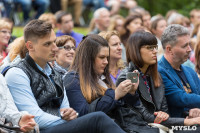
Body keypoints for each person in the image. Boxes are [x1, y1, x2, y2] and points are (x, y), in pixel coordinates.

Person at [5, 19, 126, 133]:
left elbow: (67, 110)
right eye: (48, 44)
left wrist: (69, 115)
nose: (55, 48)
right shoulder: (17, 73)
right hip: (38, 130)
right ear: (30, 46)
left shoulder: (56, 72)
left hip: (59, 126)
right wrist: (66, 119)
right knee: (98, 119)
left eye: (54, 41)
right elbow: (35, 118)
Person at [116, 30, 200, 129]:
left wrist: (164, 114)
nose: (155, 51)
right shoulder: (129, 76)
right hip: (141, 128)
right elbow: (142, 116)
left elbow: (165, 111)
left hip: (161, 126)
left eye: (155, 47)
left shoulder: (155, 75)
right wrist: (187, 122)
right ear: (136, 50)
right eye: (149, 48)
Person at [64, 34, 137, 116]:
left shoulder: (101, 76)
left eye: (107, 57)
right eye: (102, 57)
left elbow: (121, 109)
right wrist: (115, 94)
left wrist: (131, 93)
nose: (106, 62)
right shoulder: (72, 79)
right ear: (88, 58)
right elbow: (82, 114)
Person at [158, 24, 200, 118]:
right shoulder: (159, 71)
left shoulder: (190, 71)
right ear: (169, 49)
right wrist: (190, 112)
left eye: (189, 44)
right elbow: (179, 98)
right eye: (185, 46)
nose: (189, 49)